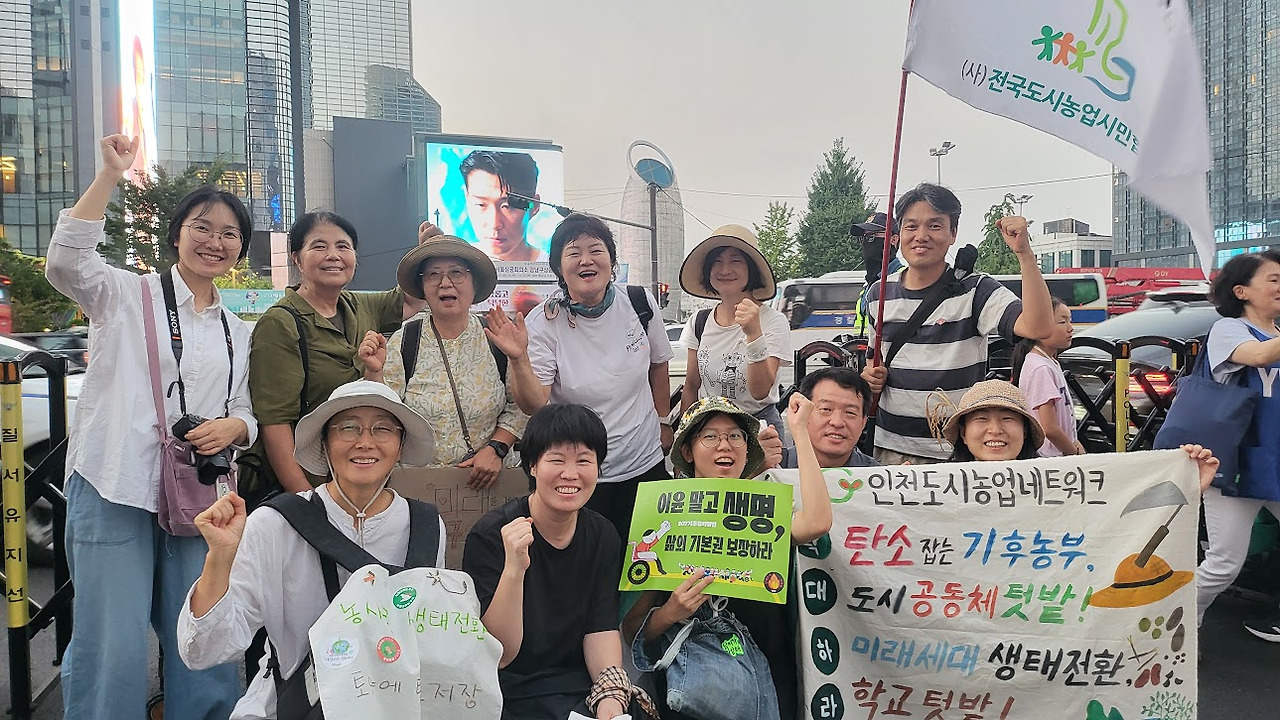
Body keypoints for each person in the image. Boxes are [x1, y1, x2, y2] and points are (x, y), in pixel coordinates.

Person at [44, 134, 255, 719]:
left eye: (229, 233)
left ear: (241, 247)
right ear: (176, 234)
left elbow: (246, 409)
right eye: (201, 227)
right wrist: (110, 175)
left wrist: (234, 428)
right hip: (115, 483)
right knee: (110, 639)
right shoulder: (123, 293)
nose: (214, 241)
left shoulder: (238, 330)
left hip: (198, 497)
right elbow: (65, 262)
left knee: (203, 626)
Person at [177, 381, 445, 718]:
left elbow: (431, 635)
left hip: (394, 705)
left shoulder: (426, 526)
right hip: (294, 706)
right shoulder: (275, 523)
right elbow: (203, 651)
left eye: (383, 429)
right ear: (324, 443)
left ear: (401, 445)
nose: (365, 442)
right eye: (348, 427)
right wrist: (219, 557)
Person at [623, 394, 833, 720]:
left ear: (748, 449)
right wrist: (670, 612)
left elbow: (817, 522)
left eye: (735, 436)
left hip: (767, 669)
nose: (725, 445)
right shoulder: (660, 514)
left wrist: (800, 433)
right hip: (694, 684)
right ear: (687, 452)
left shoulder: (764, 510)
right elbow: (633, 629)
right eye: (710, 436)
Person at [488, 213, 674, 543]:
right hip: (578, 475)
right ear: (559, 268)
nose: (586, 260)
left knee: (646, 557)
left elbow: (658, 366)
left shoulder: (640, 303)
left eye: (596, 250)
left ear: (612, 262)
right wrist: (518, 359)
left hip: (643, 463)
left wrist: (663, 422)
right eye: (573, 253)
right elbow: (534, 403)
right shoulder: (544, 323)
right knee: (588, 561)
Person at [462, 404, 654, 720]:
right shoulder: (492, 535)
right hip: (504, 690)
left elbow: (600, 627)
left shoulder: (603, 535)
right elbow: (499, 655)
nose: (570, 473)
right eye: (557, 459)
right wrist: (514, 570)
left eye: (584, 461)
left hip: (576, 687)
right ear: (532, 466)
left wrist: (610, 696)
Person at [861, 183, 1056, 465]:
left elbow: (1039, 328)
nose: (921, 236)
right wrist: (870, 378)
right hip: (890, 448)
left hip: (957, 452)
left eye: (935, 226)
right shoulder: (878, 293)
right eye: (911, 226)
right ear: (897, 236)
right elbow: (873, 361)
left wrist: (1024, 254)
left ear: (953, 233)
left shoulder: (977, 290)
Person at [244, 213, 426, 497]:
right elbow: (275, 423)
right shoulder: (280, 323)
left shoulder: (360, 306)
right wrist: (306, 500)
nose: (333, 255)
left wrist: (428, 251)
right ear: (296, 259)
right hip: (308, 481)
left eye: (343, 246)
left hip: (357, 478)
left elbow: (414, 299)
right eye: (319, 246)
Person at [360, 226, 527, 488]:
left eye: (457, 273)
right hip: (419, 485)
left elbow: (520, 406)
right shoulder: (406, 340)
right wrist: (373, 372)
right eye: (433, 275)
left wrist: (497, 448)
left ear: (474, 284)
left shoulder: (496, 336)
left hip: (488, 482)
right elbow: (383, 414)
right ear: (422, 287)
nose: (445, 283)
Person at [1191, 250, 1280, 638]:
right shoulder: (1228, 330)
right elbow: (1258, 356)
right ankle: (1173, 625)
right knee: (1224, 563)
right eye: (1273, 279)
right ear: (1241, 291)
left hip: (1274, 460)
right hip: (1235, 464)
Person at [942, 382, 1217, 486]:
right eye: (981, 419)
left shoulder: (1060, 484)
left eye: (1007, 418)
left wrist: (1187, 482)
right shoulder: (937, 487)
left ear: (1025, 431)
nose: (995, 429)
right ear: (963, 433)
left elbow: (1126, 518)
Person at [677, 224, 791, 433]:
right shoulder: (699, 321)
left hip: (758, 430)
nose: (725, 270)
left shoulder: (772, 321)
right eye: (717, 261)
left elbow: (760, 391)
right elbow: (692, 385)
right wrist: (683, 436)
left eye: (736, 260)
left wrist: (754, 334)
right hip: (710, 428)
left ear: (752, 269)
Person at [1012, 297, 1085, 456]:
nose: (1070, 328)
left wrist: (1074, 442)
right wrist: (1073, 452)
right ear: (1040, 327)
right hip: (1050, 458)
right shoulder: (1041, 368)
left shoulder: (1049, 362)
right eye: (1062, 322)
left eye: (1070, 321)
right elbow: (1049, 428)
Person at [777, 367, 878, 469]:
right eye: (826, 409)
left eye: (850, 412)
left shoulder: (879, 474)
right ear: (803, 413)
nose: (837, 422)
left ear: (864, 422)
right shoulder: (774, 468)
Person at [460, 150, 547, 261]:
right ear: (467, 199)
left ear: (534, 206)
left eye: (507, 206)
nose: (495, 224)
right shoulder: (456, 263)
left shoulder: (553, 267)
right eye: (481, 204)